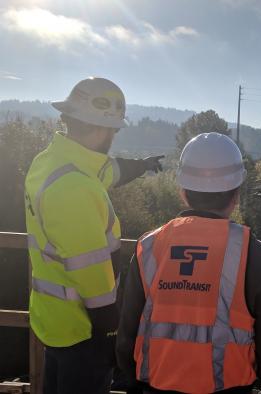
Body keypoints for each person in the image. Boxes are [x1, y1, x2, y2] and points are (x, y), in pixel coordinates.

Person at [117, 133, 261, 393]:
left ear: (183, 192)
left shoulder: (149, 247)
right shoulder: (254, 255)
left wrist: (131, 381)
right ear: (237, 195)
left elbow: (127, 333)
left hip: (153, 386)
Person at [24, 77, 163, 394]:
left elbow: (106, 171)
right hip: (83, 330)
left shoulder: (49, 162)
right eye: (114, 130)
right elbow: (92, 275)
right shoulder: (76, 189)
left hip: (53, 319)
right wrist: (111, 335)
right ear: (106, 129)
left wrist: (140, 167)